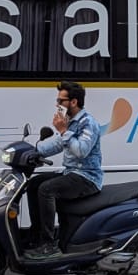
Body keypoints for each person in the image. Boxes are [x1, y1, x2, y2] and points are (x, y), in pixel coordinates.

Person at [29, 81, 104, 256]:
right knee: (33, 184)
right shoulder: (70, 122)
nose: (57, 105)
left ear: (74, 102)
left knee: (46, 189)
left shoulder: (88, 123)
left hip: (87, 177)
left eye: (61, 101)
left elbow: (81, 151)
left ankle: (49, 244)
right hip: (71, 173)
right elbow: (58, 144)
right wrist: (33, 150)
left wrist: (64, 131)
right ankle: (36, 236)